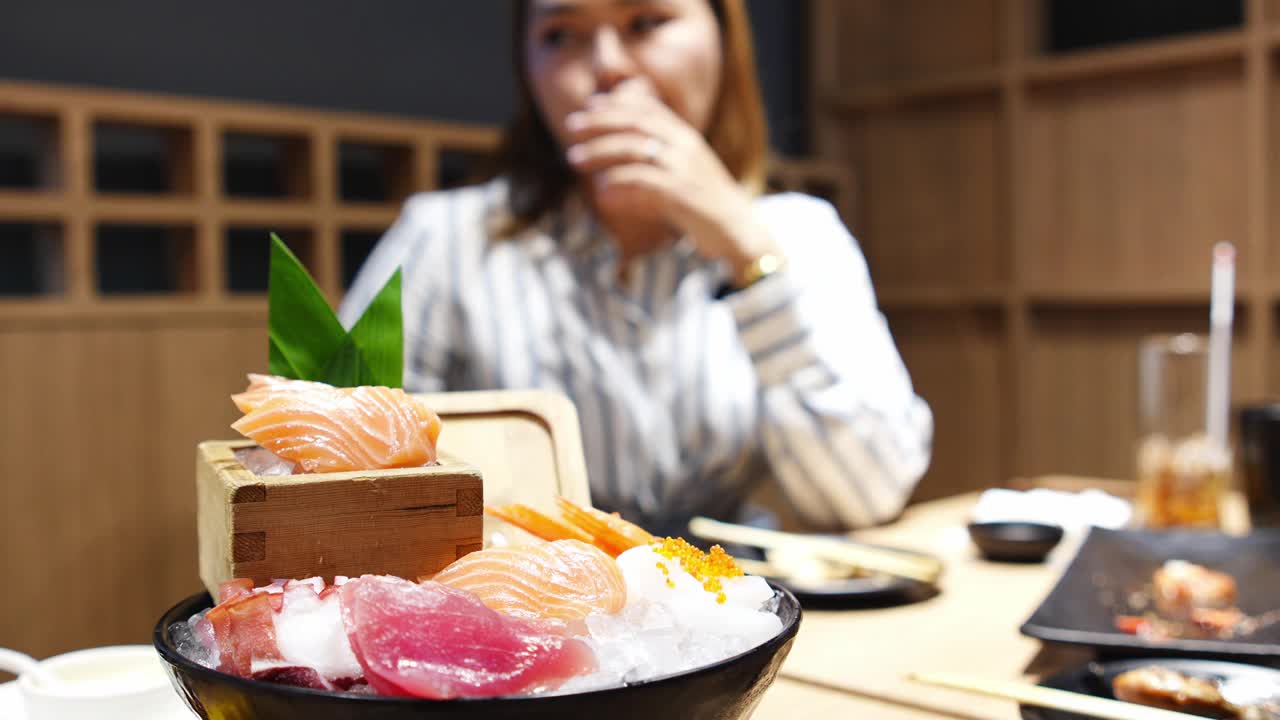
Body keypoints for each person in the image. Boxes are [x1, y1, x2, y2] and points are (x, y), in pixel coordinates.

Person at [340, 0, 932, 534]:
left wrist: (745, 248)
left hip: (729, 609)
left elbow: (868, 493)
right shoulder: (445, 239)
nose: (606, 67)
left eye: (645, 23)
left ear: (724, 39)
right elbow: (330, 478)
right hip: (520, 609)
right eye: (561, 34)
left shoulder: (798, 235)